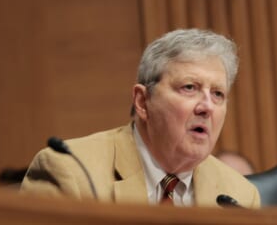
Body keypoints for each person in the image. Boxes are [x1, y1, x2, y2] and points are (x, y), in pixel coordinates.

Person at [21, 29, 260, 208]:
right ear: (142, 102)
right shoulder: (71, 174)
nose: (207, 106)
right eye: (189, 87)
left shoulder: (239, 195)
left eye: (218, 94)